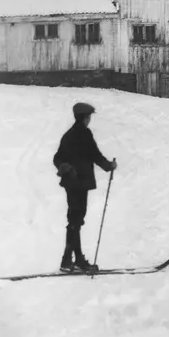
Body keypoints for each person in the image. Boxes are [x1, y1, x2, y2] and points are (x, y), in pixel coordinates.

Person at [52, 102, 116, 272]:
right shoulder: (83, 134)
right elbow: (94, 154)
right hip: (78, 183)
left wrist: (63, 167)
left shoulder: (68, 135)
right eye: (88, 117)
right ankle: (75, 260)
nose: (89, 120)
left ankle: (68, 260)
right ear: (83, 118)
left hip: (72, 183)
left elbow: (57, 158)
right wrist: (108, 166)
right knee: (76, 220)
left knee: (74, 220)